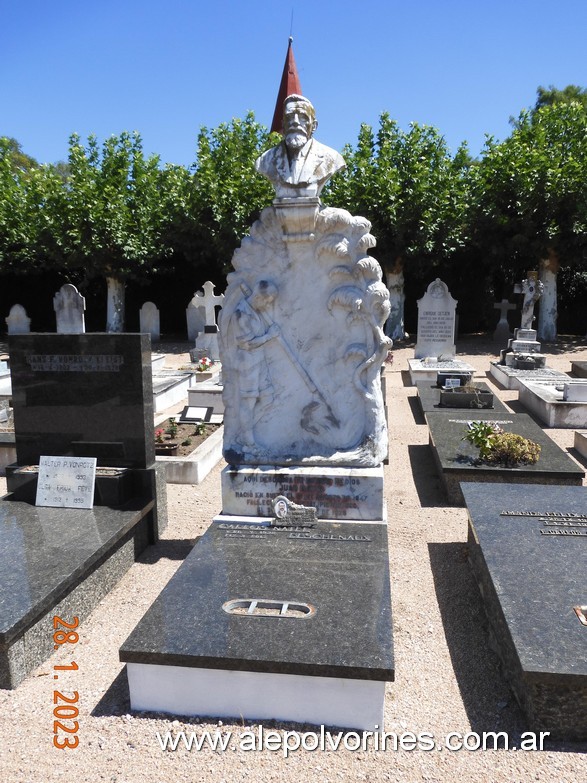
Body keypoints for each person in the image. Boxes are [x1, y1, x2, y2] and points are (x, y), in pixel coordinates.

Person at [255, 94, 345, 198]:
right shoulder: (265, 161)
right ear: (283, 124)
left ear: (314, 125)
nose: (295, 122)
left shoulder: (332, 158)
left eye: (303, 117)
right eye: (289, 117)